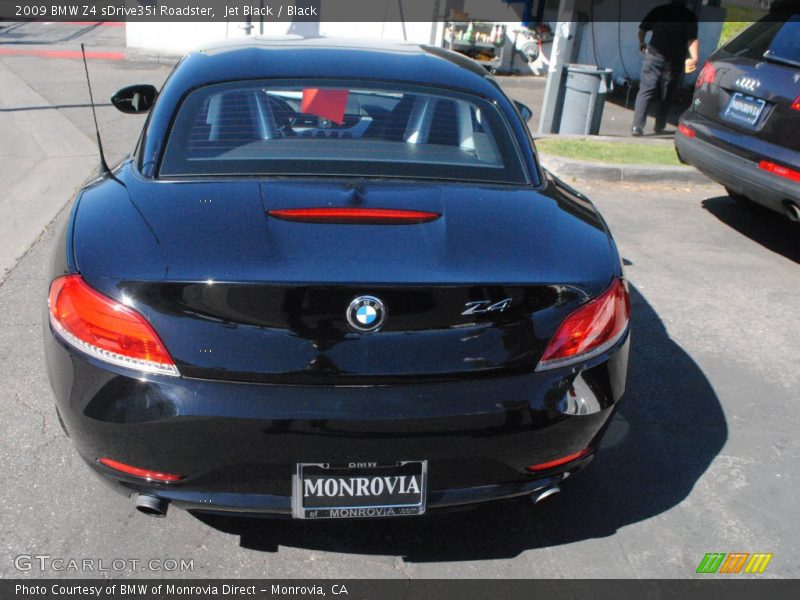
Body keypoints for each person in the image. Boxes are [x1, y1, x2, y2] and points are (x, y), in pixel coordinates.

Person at [632, 0, 699, 136]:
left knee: (646, 90)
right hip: (674, 60)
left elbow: (642, 30)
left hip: (653, 56)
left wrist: (642, 43)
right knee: (666, 93)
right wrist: (694, 57)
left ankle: (637, 127)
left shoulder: (659, 10)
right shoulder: (689, 16)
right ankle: (659, 126)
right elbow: (691, 39)